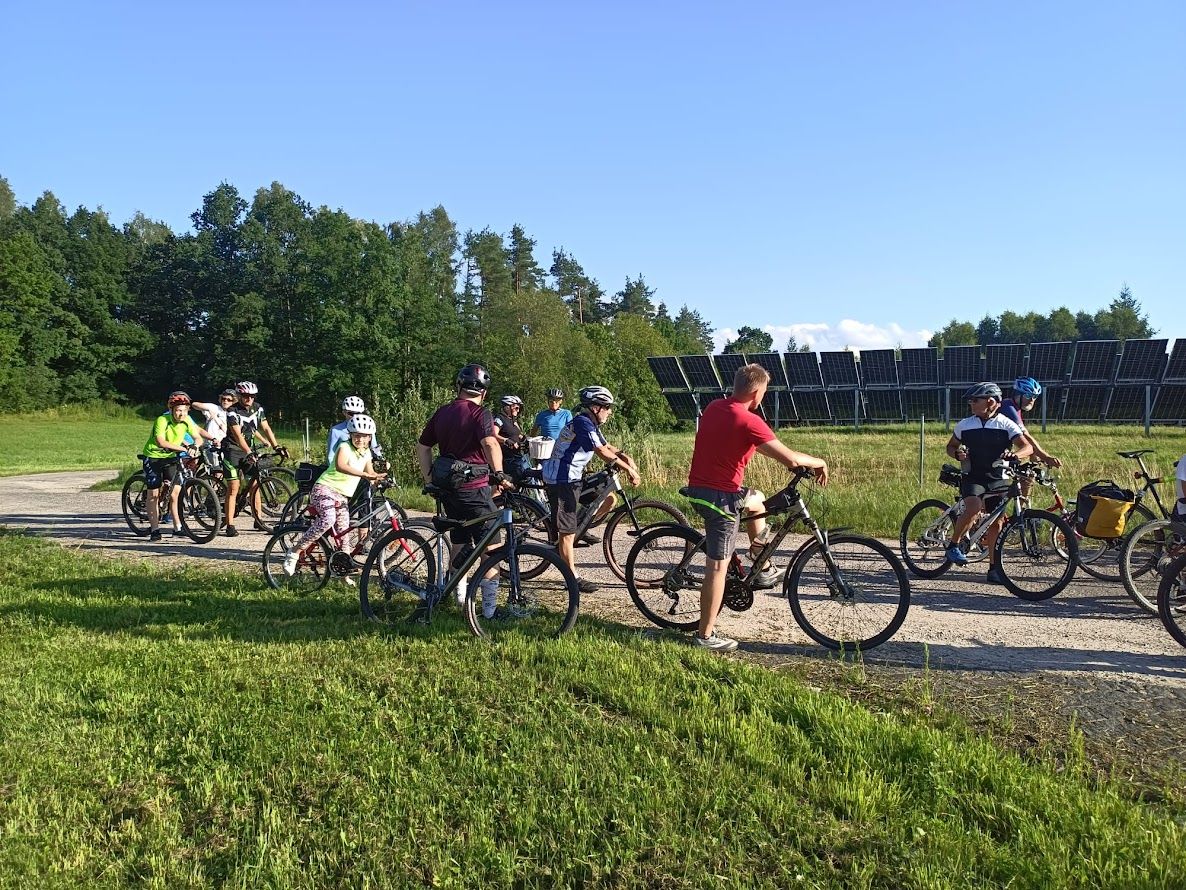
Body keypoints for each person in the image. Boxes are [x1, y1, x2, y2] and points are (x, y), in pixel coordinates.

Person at [684, 364, 828, 652]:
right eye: (764, 391)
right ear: (755, 392)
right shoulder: (750, 421)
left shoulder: (715, 407)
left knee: (757, 499)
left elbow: (750, 443)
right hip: (721, 500)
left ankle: (758, 557)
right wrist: (818, 461)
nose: (764, 395)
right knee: (717, 566)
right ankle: (705, 636)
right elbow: (790, 459)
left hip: (700, 489)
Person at [416, 364, 513, 616]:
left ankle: (458, 598)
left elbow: (423, 447)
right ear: (484, 392)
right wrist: (500, 474)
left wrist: (429, 478)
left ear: (458, 387)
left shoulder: (443, 412)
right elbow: (490, 442)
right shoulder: (480, 414)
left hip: (448, 488)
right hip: (474, 489)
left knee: (460, 539)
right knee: (491, 548)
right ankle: (490, 612)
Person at [541, 386, 642, 594]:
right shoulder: (582, 422)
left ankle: (577, 528)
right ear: (595, 407)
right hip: (561, 479)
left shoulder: (591, 423)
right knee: (567, 533)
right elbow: (600, 451)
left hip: (574, 477)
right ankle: (571, 578)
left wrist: (625, 456)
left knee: (608, 500)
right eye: (607, 407)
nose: (610, 411)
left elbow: (607, 445)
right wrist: (628, 469)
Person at [944, 382, 1033, 584]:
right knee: (974, 507)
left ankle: (994, 568)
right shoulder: (965, 424)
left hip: (998, 479)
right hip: (973, 476)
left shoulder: (1006, 424)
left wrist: (1015, 455)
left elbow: (1027, 448)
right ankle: (953, 545)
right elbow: (950, 446)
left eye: (975, 400)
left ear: (990, 402)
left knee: (997, 523)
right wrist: (956, 454)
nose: (971, 404)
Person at [284, 414, 385, 577]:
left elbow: (370, 472)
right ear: (350, 435)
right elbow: (341, 466)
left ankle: (342, 572)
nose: (360, 439)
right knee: (328, 519)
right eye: (356, 435)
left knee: (344, 535)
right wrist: (365, 475)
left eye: (364, 436)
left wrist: (378, 478)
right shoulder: (344, 447)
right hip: (324, 489)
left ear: (370, 437)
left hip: (342, 496)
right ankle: (294, 552)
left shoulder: (366, 453)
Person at [141, 391, 218, 541]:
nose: (181, 414)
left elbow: (197, 437)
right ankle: (155, 530)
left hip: (171, 456)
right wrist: (184, 448)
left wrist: (195, 445)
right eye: (177, 410)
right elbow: (161, 442)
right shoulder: (162, 420)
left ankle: (177, 527)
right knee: (154, 494)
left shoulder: (187, 419)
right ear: (171, 409)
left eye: (184, 410)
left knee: (175, 493)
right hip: (154, 457)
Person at [223, 381, 286, 536]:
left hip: (248, 450)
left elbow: (266, 428)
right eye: (245, 396)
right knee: (234, 488)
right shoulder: (232, 411)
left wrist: (276, 446)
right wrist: (248, 451)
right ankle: (230, 525)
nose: (249, 398)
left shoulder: (257, 408)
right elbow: (237, 436)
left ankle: (258, 520)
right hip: (233, 451)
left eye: (252, 396)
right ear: (238, 396)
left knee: (255, 485)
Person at [327, 395, 385, 512]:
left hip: (361, 466)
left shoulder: (365, 426)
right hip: (343, 468)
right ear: (344, 412)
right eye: (351, 413)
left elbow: (374, 447)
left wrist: (382, 460)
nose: (355, 416)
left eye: (358, 413)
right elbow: (331, 455)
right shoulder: (336, 430)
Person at [999, 376, 1062, 470]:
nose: (1032, 400)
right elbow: (1025, 436)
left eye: (1035, 396)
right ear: (1017, 394)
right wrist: (1046, 457)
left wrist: (1034, 454)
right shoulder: (1009, 408)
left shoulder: (1014, 406)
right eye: (1028, 395)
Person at [191, 389, 236, 473]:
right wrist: (209, 411)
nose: (225, 401)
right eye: (223, 399)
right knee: (217, 472)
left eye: (229, 400)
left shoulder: (235, 413)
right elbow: (194, 404)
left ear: (234, 401)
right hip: (211, 445)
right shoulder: (215, 408)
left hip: (225, 446)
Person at [493, 395, 530, 480]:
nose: (518, 410)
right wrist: (506, 440)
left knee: (527, 475)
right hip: (507, 457)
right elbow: (493, 434)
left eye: (519, 408)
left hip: (517, 455)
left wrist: (526, 439)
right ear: (507, 407)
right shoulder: (499, 419)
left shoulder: (513, 420)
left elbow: (518, 434)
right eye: (516, 408)